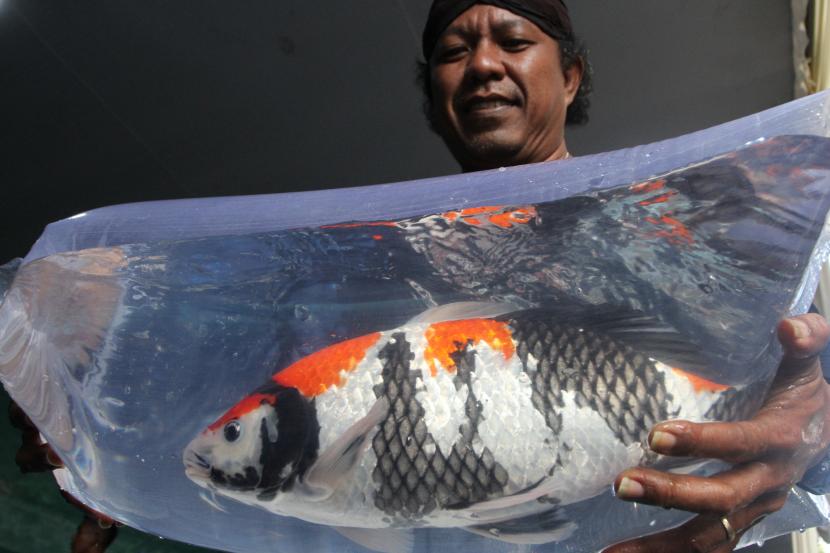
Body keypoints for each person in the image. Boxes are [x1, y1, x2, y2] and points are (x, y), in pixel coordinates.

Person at [418, 1, 830, 552]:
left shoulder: (680, 229)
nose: (483, 65)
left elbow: (803, 394)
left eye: (513, 42)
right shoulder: (389, 262)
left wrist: (813, 436)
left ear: (570, 76)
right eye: (453, 51)